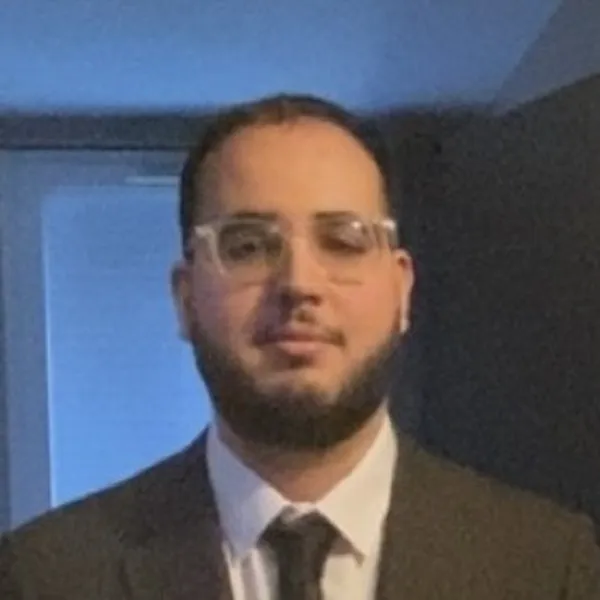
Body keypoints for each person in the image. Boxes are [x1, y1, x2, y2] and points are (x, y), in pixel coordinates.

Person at [0, 94, 598, 600]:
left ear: (401, 291)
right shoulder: (45, 577)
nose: (299, 283)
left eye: (343, 240)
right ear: (185, 298)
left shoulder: (550, 567)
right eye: (247, 246)